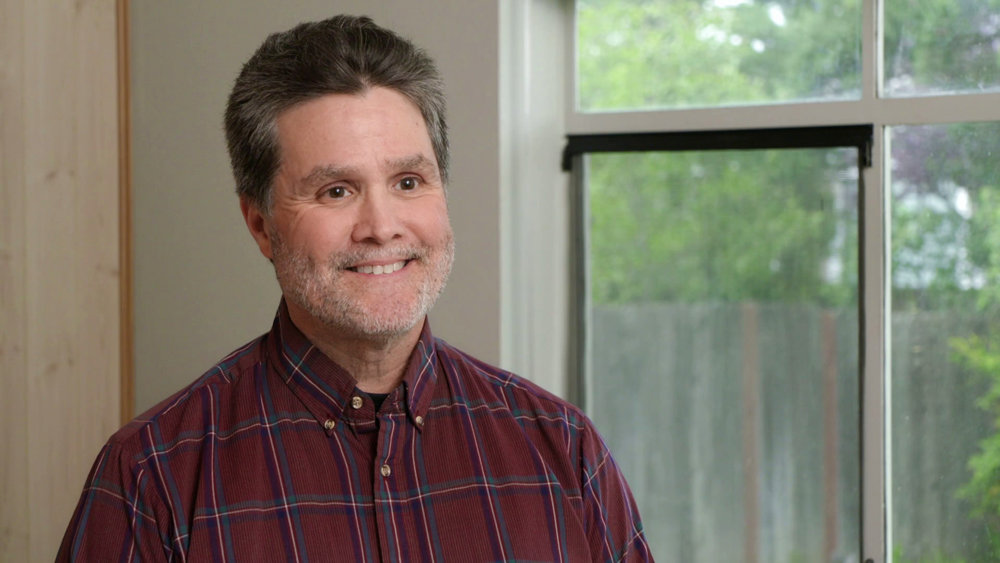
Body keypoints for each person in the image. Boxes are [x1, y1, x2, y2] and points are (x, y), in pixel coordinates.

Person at [58, 14, 651, 562]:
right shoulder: (152, 476)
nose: (381, 228)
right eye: (336, 191)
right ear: (260, 225)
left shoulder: (563, 450)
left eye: (408, 181)